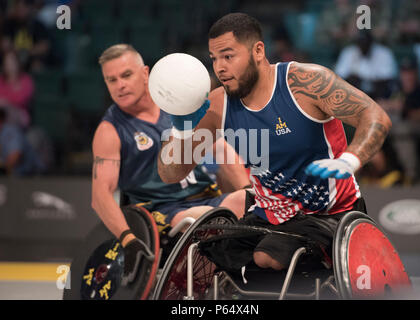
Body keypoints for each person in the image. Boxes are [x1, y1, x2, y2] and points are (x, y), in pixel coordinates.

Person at [157, 13, 392, 272]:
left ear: (258, 50)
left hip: (328, 214)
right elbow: (171, 173)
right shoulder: (217, 105)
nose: (219, 67)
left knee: (266, 257)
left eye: (228, 56)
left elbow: (375, 115)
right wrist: (180, 128)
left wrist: (350, 159)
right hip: (268, 215)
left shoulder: (305, 83)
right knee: (204, 254)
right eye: (214, 59)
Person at [92, 44, 249, 283]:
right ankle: (227, 279)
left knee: (250, 200)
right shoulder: (109, 130)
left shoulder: (177, 104)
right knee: (210, 218)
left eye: (126, 75)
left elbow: (220, 148)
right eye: (111, 80)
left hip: (208, 196)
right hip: (162, 211)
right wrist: (127, 239)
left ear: (145, 74)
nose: (120, 85)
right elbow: (100, 196)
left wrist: (246, 189)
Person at [0, 108, 44, 175]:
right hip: (18, 177)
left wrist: (4, 167)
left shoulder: (10, 131)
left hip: (35, 177)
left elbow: (15, 157)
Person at [0, 50, 35, 128]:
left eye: (12, 61)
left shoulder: (26, 80)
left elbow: (22, 100)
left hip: (20, 117)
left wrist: (6, 103)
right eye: (7, 62)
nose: (10, 65)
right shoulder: (1, 80)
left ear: (18, 62)